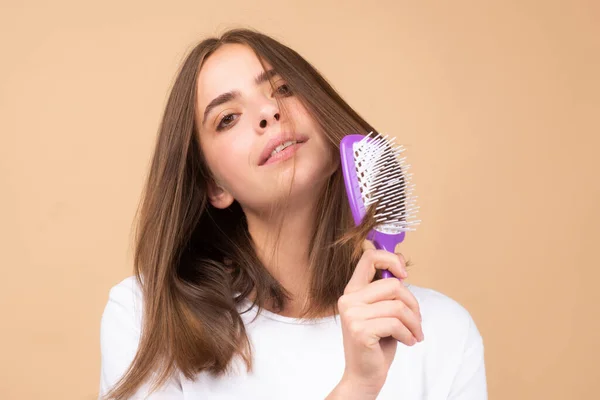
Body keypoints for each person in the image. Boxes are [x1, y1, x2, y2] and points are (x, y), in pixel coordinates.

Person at [98, 28, 487, 400]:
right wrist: (356, 388)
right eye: (227, 118)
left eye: (283, 89)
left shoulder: (440, 330)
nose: (268, 112)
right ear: (214, 187)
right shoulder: (150, 316)